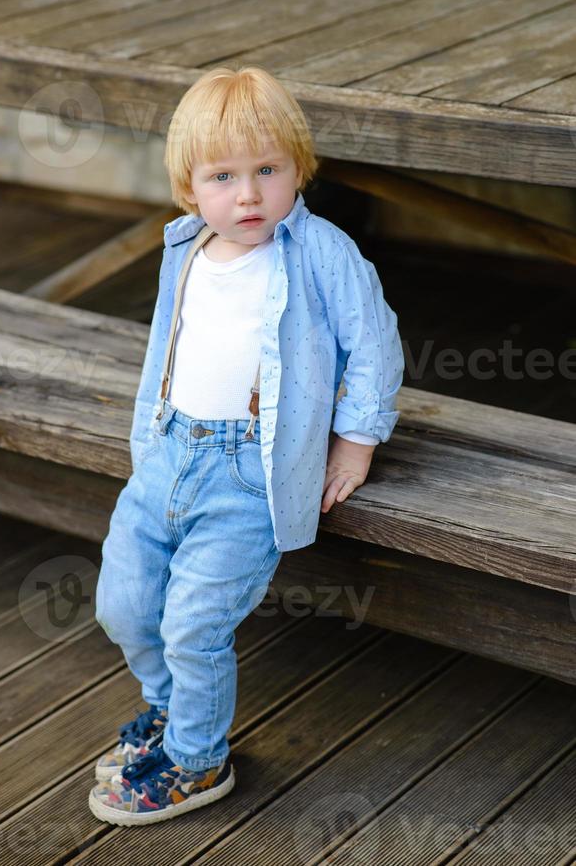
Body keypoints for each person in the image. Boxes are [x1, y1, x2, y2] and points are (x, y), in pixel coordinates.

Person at [89, 65, 404, 826]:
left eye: (269, 170)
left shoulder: (319, 254)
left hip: (246, 473)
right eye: (224, 176)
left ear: (300, 167)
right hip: (168, 455)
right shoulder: (185, 250)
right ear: (189, 188)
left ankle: (200, 761)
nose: (250, 194)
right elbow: (168, 348)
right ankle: (170, 717)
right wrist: (146, 444)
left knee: (195, 624)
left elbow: (376, 346)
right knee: (124, 604)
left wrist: (354, 445)